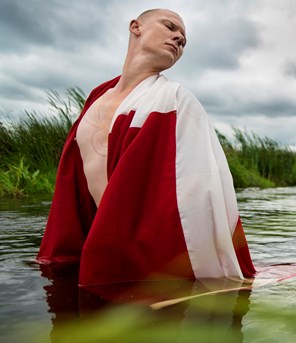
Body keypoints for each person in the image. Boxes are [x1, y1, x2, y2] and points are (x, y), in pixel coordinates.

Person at [36, 9, 256, 286]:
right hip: (95, 256)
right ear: (135, 27)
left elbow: (200, 193)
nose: (178, 38)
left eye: (184, 40)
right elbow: (73, 188)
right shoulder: (95, 99)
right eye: (170, 26)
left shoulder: (175, 100)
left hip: (151, 261)